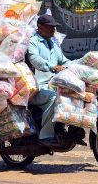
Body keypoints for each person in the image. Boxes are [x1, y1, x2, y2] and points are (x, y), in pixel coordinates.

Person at [27, 14, 72, 146]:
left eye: (54, 27)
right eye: (50, 27)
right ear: (40, 27)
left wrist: (78, 66)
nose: (53, 30)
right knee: (54, 98)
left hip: (53, 84)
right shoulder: (33, 42)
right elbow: (35, 59)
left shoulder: (52, 43)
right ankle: (45, 136)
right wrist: (52, 67)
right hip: (37, 88)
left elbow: (64, 60)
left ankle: (64, 129)